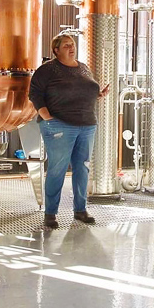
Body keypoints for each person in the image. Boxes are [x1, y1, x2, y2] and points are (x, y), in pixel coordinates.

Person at [28, 34, 110, 229]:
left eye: (72, 44)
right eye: (66, 45)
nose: (71, 48)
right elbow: (35, 93)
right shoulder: (47, 69)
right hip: (59, 124)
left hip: (87, 124)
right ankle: (50, 214)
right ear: (56, 50)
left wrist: (98, 94)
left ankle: (80, 210)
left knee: (83, 168)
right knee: (58, 169)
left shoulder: (83, 67)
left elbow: (83, 90)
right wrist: (47, 116)